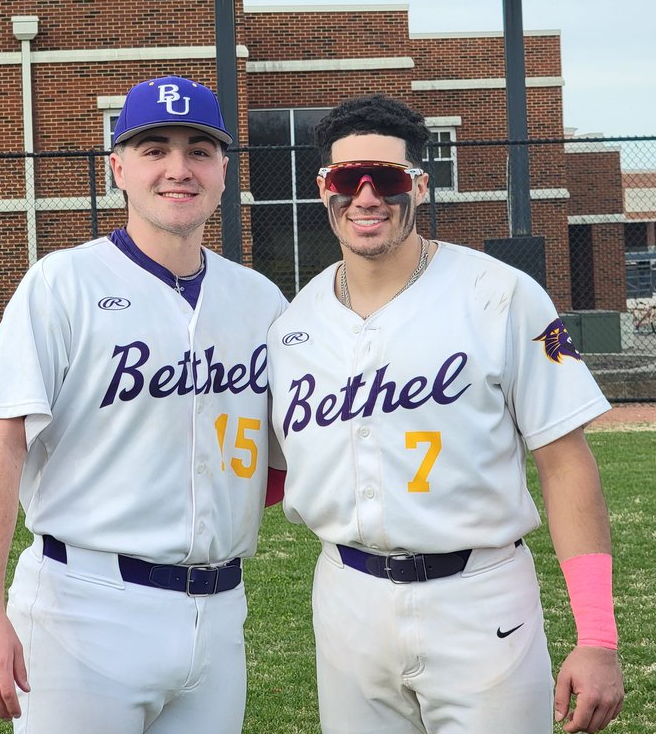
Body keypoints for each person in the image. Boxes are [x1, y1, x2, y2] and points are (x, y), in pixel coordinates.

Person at [266, 93, 624, 734]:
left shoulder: (501, 295)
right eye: (348, 179)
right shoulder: (295, 323)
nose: (367, 197)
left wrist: (597, 635)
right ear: (324, 189)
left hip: (480, 595)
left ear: (421, 187)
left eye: (389, 179)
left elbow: (566, 463)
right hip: (346, 596)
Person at [0, 75, 286, 732]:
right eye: (154, 149)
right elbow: (0, 443)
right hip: (85, 606)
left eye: (198, 149)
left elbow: (292, 458)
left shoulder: (261, 301)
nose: (178, 168)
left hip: (219, 613)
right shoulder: (62, 284)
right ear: (118, 169)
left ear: (223, 170)